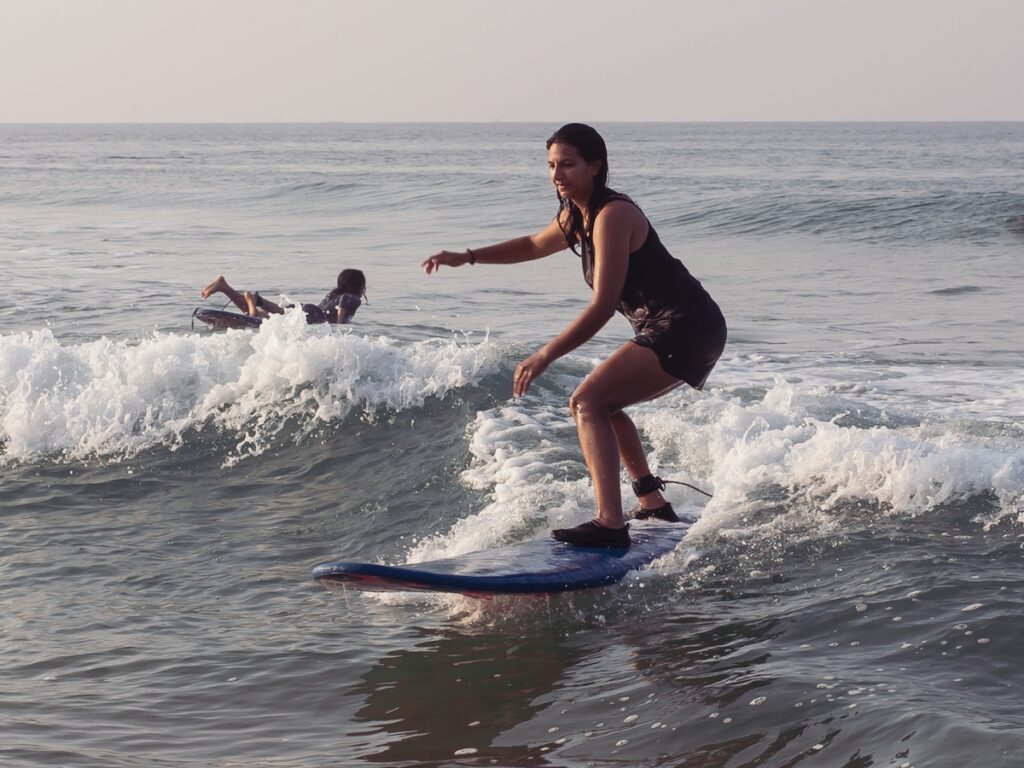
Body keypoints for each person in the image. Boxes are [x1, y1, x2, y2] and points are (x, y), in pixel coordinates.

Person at [422, 123, 726, 548]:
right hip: (678, 325)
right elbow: (531, 244)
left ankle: (610, 524)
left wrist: (544, 354)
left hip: (686, 326)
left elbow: (603, 305)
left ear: (595, 166)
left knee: (586, 401)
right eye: (551, 165)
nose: (557, 174)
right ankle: (652, 502)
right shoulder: (576, 215)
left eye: (567, 164)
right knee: (604, 403)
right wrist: (468, 257)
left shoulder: (613, 215)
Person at [200, 269, 367, 325]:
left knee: (268, 317)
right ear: (359, 285)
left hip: (307, 311)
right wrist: (339, 328)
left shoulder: (334, 294)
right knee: (258, 318)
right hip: (314, 318)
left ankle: (225, 287)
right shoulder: (352, 297)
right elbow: (346, 302)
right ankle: (253, 306)